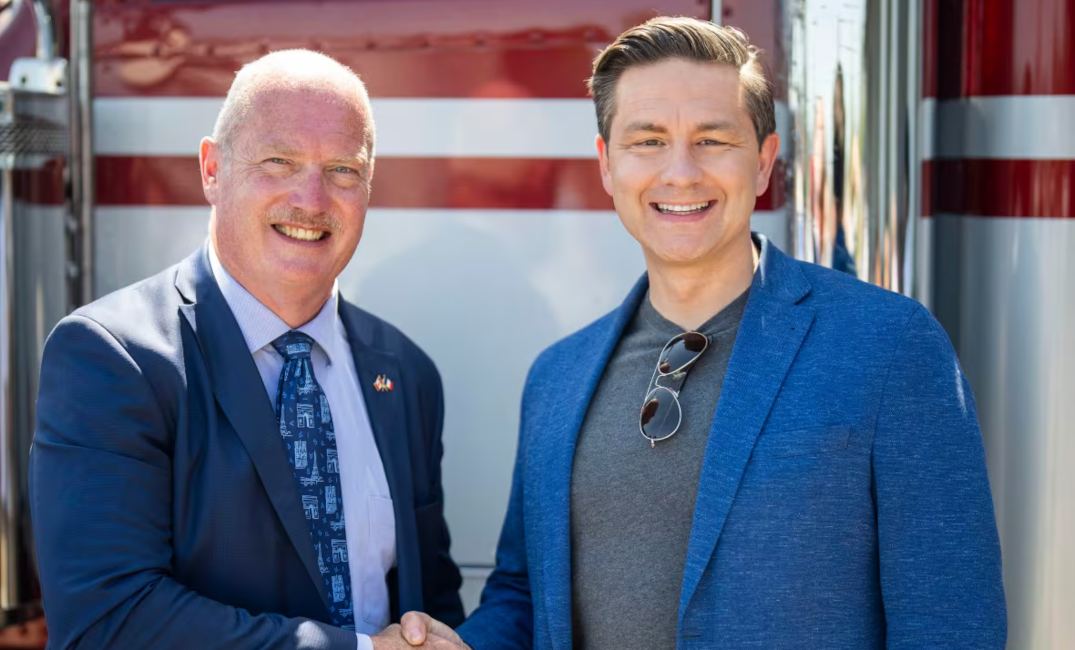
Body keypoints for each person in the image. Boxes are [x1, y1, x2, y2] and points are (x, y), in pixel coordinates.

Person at [397, 17, 1006, 649]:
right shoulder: (557, 375)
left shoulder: (891, 346)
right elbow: (525, 595)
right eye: (648, 141)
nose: (681, 172)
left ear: (763, 162)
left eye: (712, 140)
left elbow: (950, 622)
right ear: (607, 165)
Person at [29, 50, 463, 650]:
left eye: (343, 170)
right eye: (279, 161)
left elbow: (433, 602)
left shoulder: (405, 374)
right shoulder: (113, 359)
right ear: (212, 170)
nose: (311, 200)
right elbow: (107, 621)